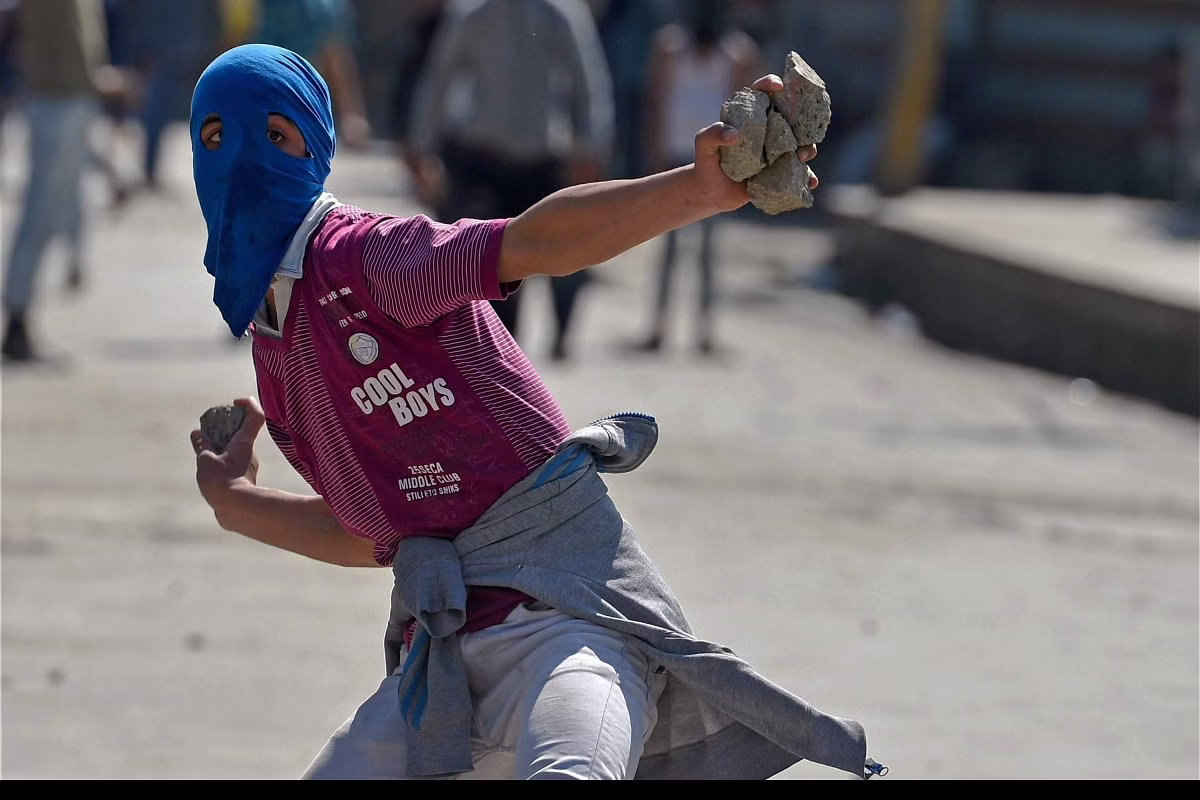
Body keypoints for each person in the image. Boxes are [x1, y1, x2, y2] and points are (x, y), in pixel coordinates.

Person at [186, 43, 884, 781]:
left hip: (572, 627)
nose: (243, 161)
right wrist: (237, 503)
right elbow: (380, 532)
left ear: (316, 149)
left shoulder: (366, 259)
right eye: (217, 139)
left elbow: (531, 242)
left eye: (274, 134)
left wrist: (697, 190)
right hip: (446, 670)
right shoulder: (278, 348)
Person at [405, 0, 615, 361]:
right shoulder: (472, 12)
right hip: (484, 159)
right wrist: (421, 147)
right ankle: (502, 353)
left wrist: (592, 148)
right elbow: (439, 77)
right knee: (493, 260)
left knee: (567, 255)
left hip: (544, 160)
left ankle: (562, 331)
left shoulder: (562, 14)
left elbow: (588, 81)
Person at [632, 0, 762, 356]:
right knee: (669, 248)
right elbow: (656, 102)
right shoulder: (669, 47)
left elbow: (746, 112)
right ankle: (658, 326)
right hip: (676, 159)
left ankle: (703, 330)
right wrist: (654, 153)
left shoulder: (737, 53)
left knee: (707, 251)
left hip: (718, 163)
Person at [2, 0, 113, 362]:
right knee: (39, 214)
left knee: (61, 205)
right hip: (57, 99)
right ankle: (17, 321)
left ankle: (23, 314)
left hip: (71, 97)